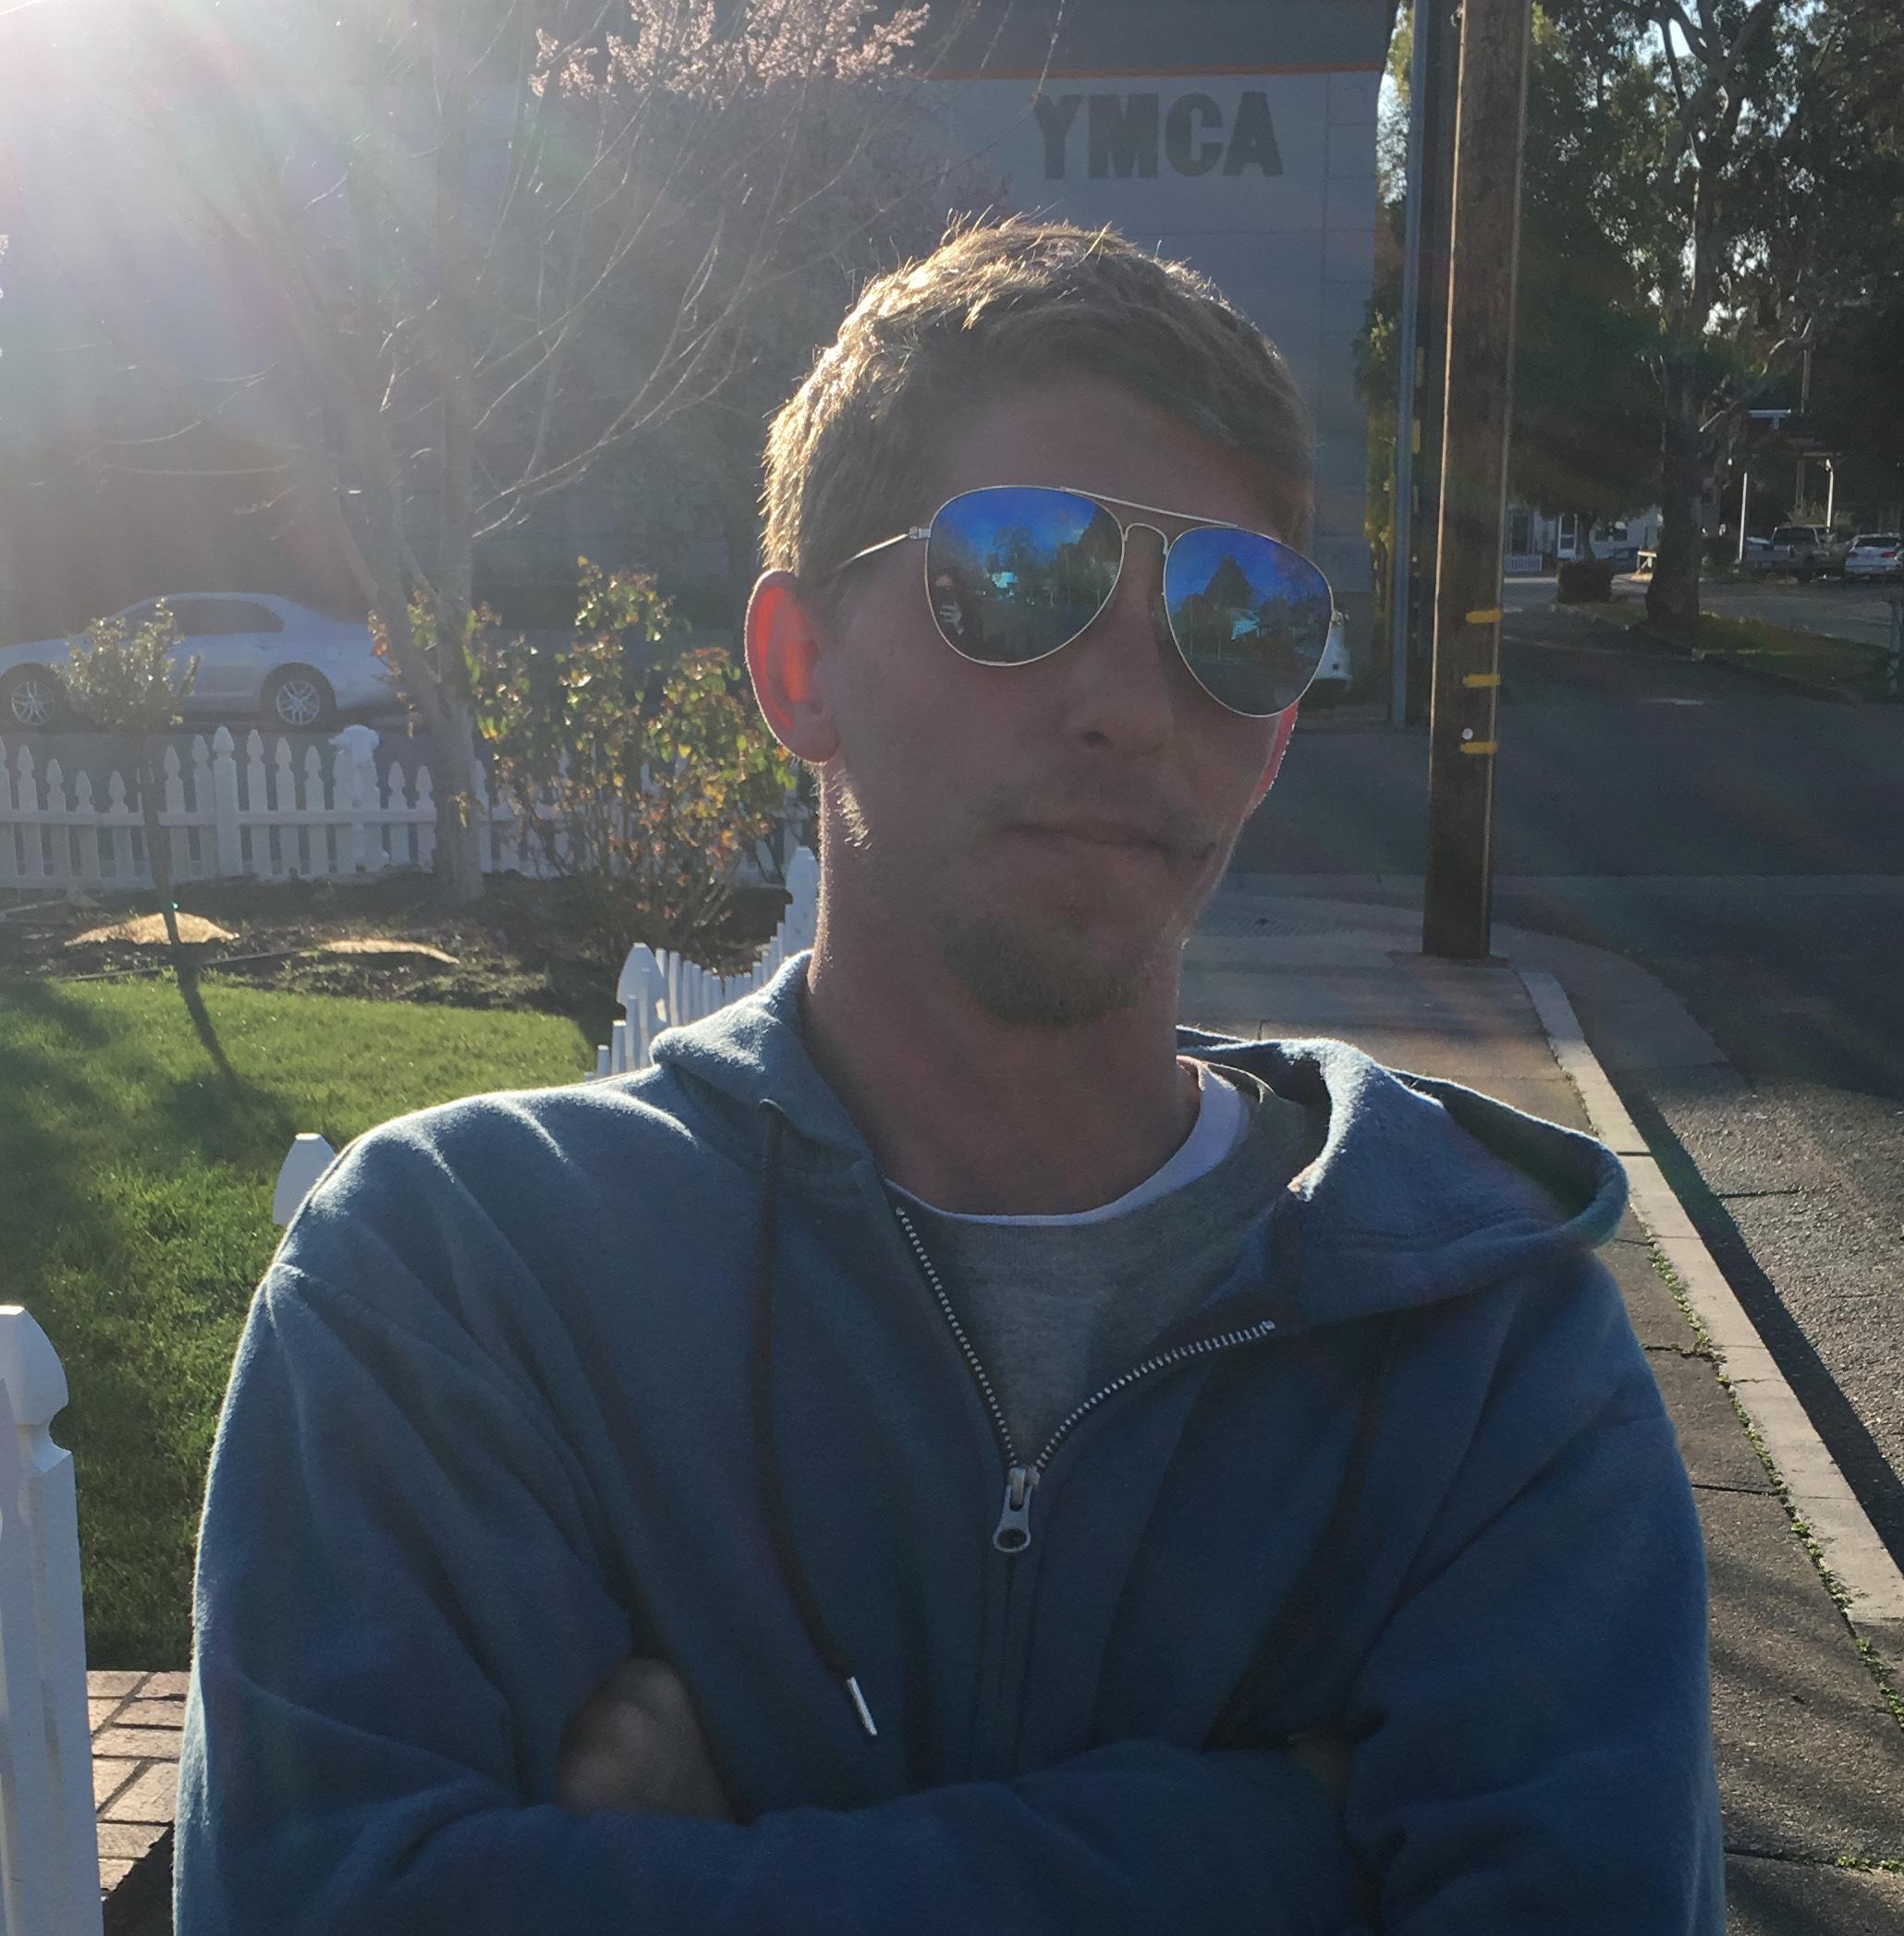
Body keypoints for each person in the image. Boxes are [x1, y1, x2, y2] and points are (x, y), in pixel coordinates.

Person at [177, 218, 1724, 1933]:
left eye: (1238, 616)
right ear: (799, 669)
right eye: (1023, 576)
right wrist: (1280, 1849)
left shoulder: (1489, 1358)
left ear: (1282, 719)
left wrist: (697, 1874)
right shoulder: (459, 1280)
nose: (1136, 704)